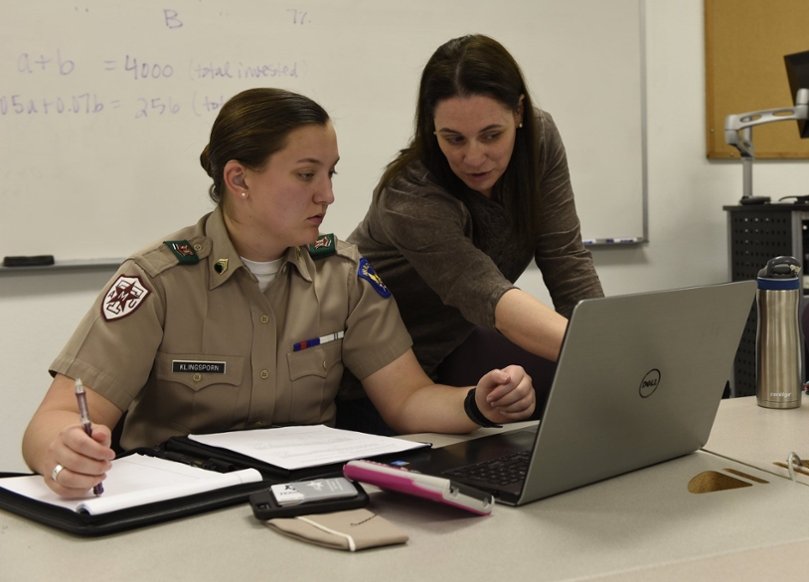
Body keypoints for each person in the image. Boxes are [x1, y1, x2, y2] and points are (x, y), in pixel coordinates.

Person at [22, 87, 535, 497]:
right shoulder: (158, 281)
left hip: (304, 503)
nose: (328, 195)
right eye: (306, 174)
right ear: (239, 179)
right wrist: (64, 452)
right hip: (181, 514)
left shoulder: (344, 275)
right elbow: (55, 420)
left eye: (330, 174)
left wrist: (478, 404)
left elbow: (407, 399)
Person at [341, 35, 603, 429]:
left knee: (602, 395)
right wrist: (613, 353)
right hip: (375, 378)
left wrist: (612, 345)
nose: (474, 156)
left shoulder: (539, 138)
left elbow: (565, 258)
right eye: (454, 139)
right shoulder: (409, 195)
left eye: (492, 135)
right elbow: (490, 297)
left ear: (518, 112)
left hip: (456, 342)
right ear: (431, 126)